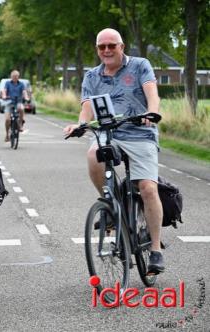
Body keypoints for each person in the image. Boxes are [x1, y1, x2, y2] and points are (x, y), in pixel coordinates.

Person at [63, 28, 164, 274]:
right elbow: (87, 107)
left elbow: (153, 94)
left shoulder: (140, 65)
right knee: (92, 154)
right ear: (97, 49)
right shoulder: (92, 76)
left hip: (140, 133)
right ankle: (110, 204)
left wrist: (151, 112)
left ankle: (156, 249)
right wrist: (80, 124)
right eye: (101, 47)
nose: (106, 50)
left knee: (148, 188)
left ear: (122, 46)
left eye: (112, 45)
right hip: (109, 134)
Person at [1, 70, 29, 141]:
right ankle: (7, 135)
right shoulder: (7, 83)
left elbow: (24, 91)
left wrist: (26, 97)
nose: (15, 78)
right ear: (11, 77)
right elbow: (4, 90)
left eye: (16, 76)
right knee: (7, 119)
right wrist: (4, 96)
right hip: (9, 102)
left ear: (18, 77)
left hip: (18, 102)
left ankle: (20, 125)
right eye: (13, 76)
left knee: (21, 108)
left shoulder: (21, 84)